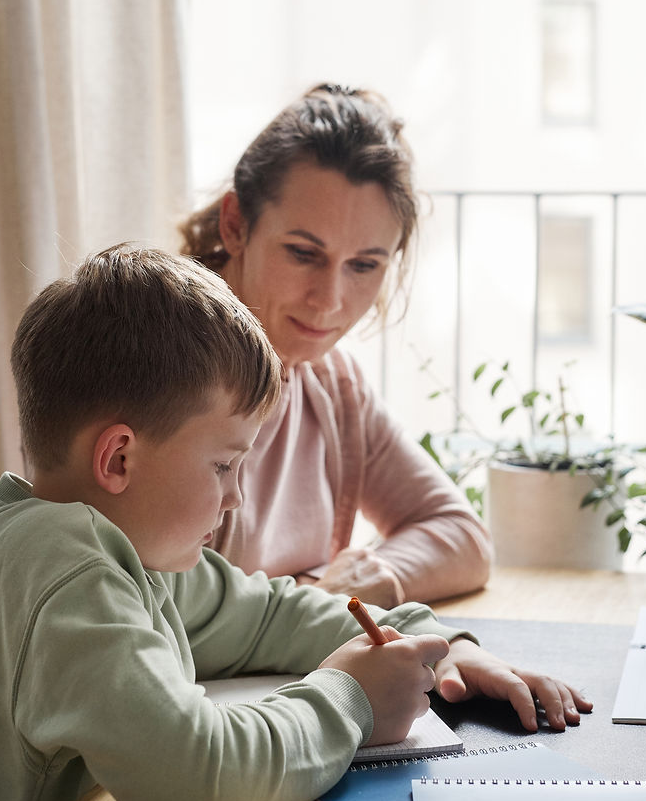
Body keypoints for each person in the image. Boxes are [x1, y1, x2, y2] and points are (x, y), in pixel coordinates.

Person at [0, 244, 590, 801]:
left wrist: (440, 647)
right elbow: (194, 783)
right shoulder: (64, 574)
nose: (234, 497)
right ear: (119, 458)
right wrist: (351, 700)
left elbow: (272, 614)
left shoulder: (118, 553)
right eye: (223, 464)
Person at [179, 84, 492, 608]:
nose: (329, 301)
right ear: (236, 225)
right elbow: (164, 604)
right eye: (303, 253)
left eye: (365, 265)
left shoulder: (332, 385)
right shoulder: (158, 371)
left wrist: (370, 580)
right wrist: (318, 601)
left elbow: (463, 537)